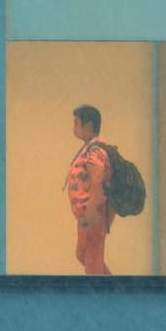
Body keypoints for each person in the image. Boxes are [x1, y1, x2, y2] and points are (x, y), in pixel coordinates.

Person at [63, 104, 113, 275]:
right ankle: (114, 289)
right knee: (83, 254)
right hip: (86, 214)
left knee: (92, 262)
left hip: (94, 214)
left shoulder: (96, 150)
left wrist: (91, 212)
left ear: (89, 126)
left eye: (76, 123)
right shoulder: (89, 148)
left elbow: (97, 181)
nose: (73, 127)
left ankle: (106, 299)